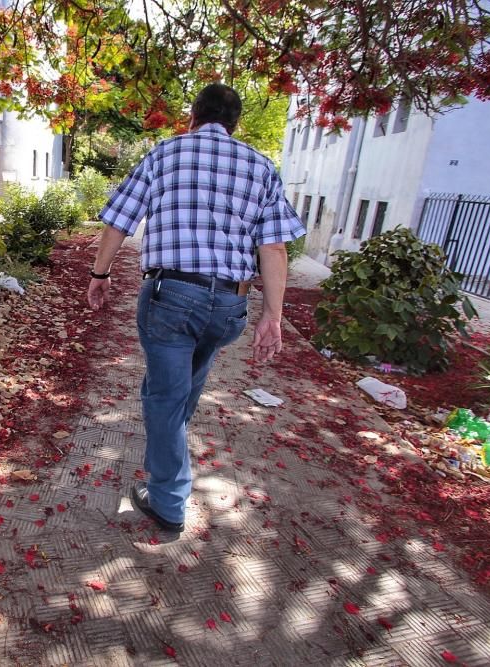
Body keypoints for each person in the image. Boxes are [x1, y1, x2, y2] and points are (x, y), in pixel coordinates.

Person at [86, 83, 305, 532]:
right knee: (179, 392)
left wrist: (100, 274)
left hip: (172, 298)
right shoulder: (261, 167)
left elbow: (118, 221)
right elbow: (275, 248)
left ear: (193, 116)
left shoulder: (163, 155)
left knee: (164, 398)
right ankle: (167, 469)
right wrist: (273, 317)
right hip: (229, 305)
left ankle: (168, 499)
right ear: (234, 124)